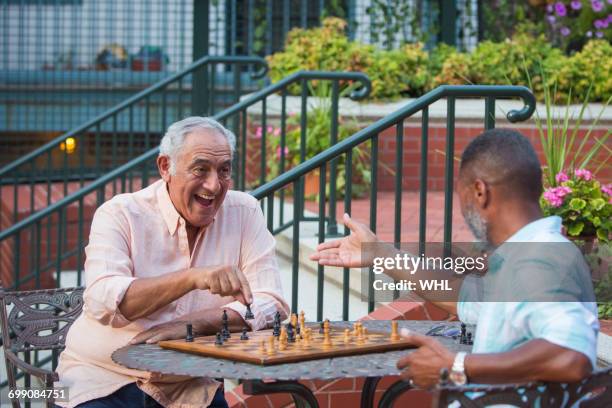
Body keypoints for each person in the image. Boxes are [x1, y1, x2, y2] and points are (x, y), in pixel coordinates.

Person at [311, 128, 598, 388]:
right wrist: (381, 254)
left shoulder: (539, 259)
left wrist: (457, 366)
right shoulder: (524, 254)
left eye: (461, 196)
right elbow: (460, 296)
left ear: (480, 191)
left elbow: (571, 355)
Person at [56, 117, 289, 407]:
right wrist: (193, 278)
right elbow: (106, 300)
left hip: (190, 384)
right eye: (200, 169)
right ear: (166, 167)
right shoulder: (119, 213)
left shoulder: (244, 210)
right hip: (101, 379)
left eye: (224, 170)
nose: (215, 185)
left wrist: (193, 325)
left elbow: (271, 303)